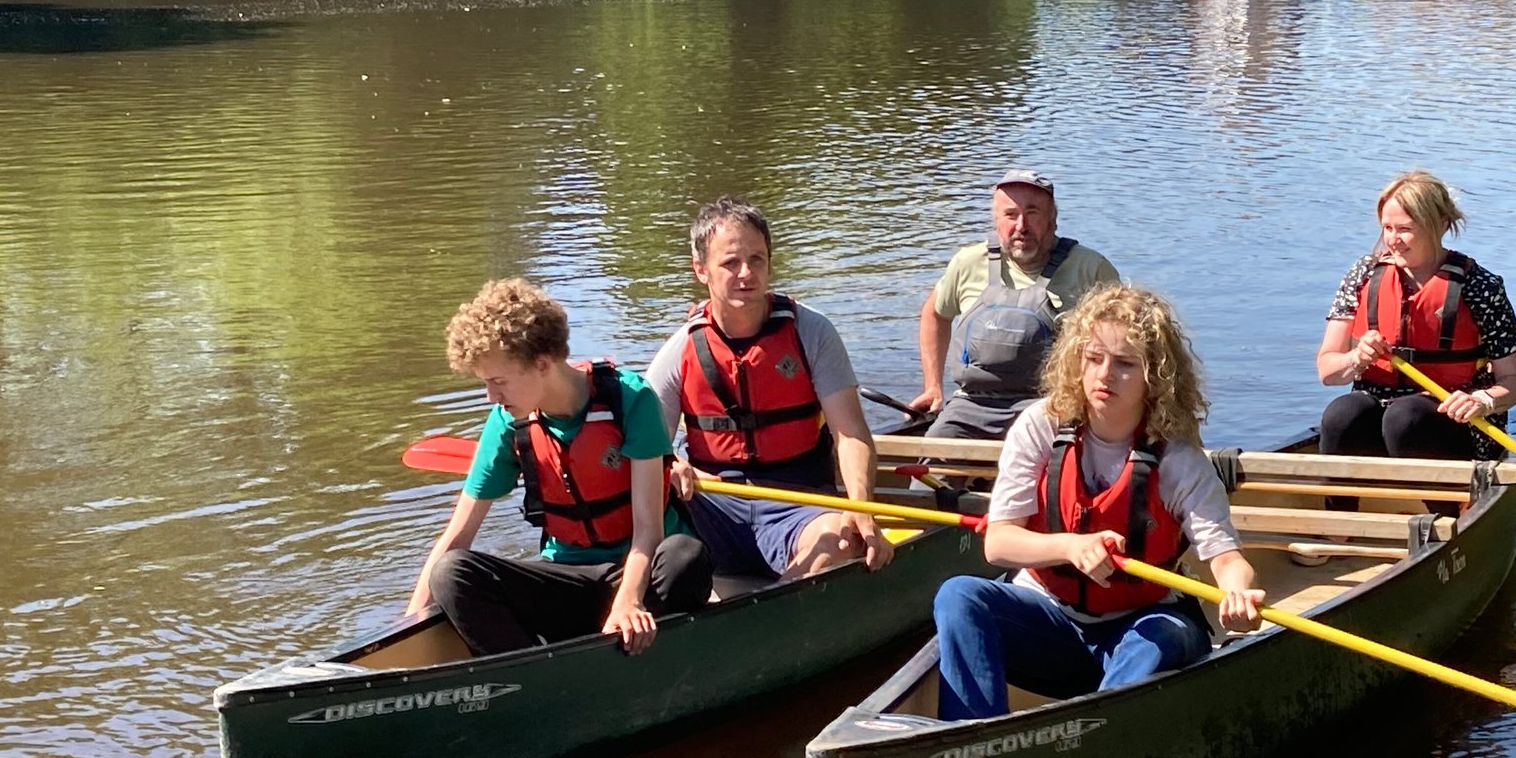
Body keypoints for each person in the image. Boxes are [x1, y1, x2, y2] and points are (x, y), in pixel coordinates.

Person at [933, 284, 1267, 721]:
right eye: (1093, 358)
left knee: (1161, 638)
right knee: (959, 596)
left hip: (1144, 626)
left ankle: (1091, 729)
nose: (1104, 375)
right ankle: (969, 735)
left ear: (1155, 376)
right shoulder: (1039, 427)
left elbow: (1226, 560)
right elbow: (998, 543)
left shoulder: (1178, 458)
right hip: (1051, 622)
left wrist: (1239, 594)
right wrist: (1070, 546)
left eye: (1125, 363)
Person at [408, 278, 714, 657]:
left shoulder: (630, 399)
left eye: (498, 382)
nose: (492, 396)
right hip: (570, 580)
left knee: (686, 556)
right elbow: (457, 538)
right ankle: (531, 673)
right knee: (451, 573)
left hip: (643, 574)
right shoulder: (507, 422)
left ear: (542, 363)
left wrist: (628, 602)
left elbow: (648, 531)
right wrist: (408, 628)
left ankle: (628, 641)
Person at [648, 197, 894, 580]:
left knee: (843, 542)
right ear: (701, 270)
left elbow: (851, 433)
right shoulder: (680, 349)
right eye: (730, 263)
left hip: (798, 502)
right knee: (638, 521)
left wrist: (860, 504)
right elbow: (648, 448)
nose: (746, 273)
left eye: (757, 260)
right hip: (714, 504)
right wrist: (672, 465)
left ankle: (778, 606)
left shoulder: (811, 332)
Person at [1313, 168, 1516, 469]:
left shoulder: (1480, 286)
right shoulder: (1363, 275)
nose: (1393, 240)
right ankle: (1340, 509)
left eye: (1404, 229)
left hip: (1454, 418)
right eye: (1387, 228)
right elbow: (1327, 371)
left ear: (1440, 225)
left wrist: (1482, 400)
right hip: (1378, 410)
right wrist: (1356, 358)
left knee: (1406, 417)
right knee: (1342, 414)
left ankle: (1446, 510)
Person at [908, 168, 1121, 440]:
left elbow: (1126, 342)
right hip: (971, 406)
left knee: (1056, 468)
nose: (1021, 225)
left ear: (1053, 219)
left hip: (1052, 407)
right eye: (1011, 215)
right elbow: (935, 314)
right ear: (996, 220)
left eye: (1033, 213)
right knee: (928, 460)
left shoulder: (1090, 269)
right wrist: (933, 386)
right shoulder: (969, 262)